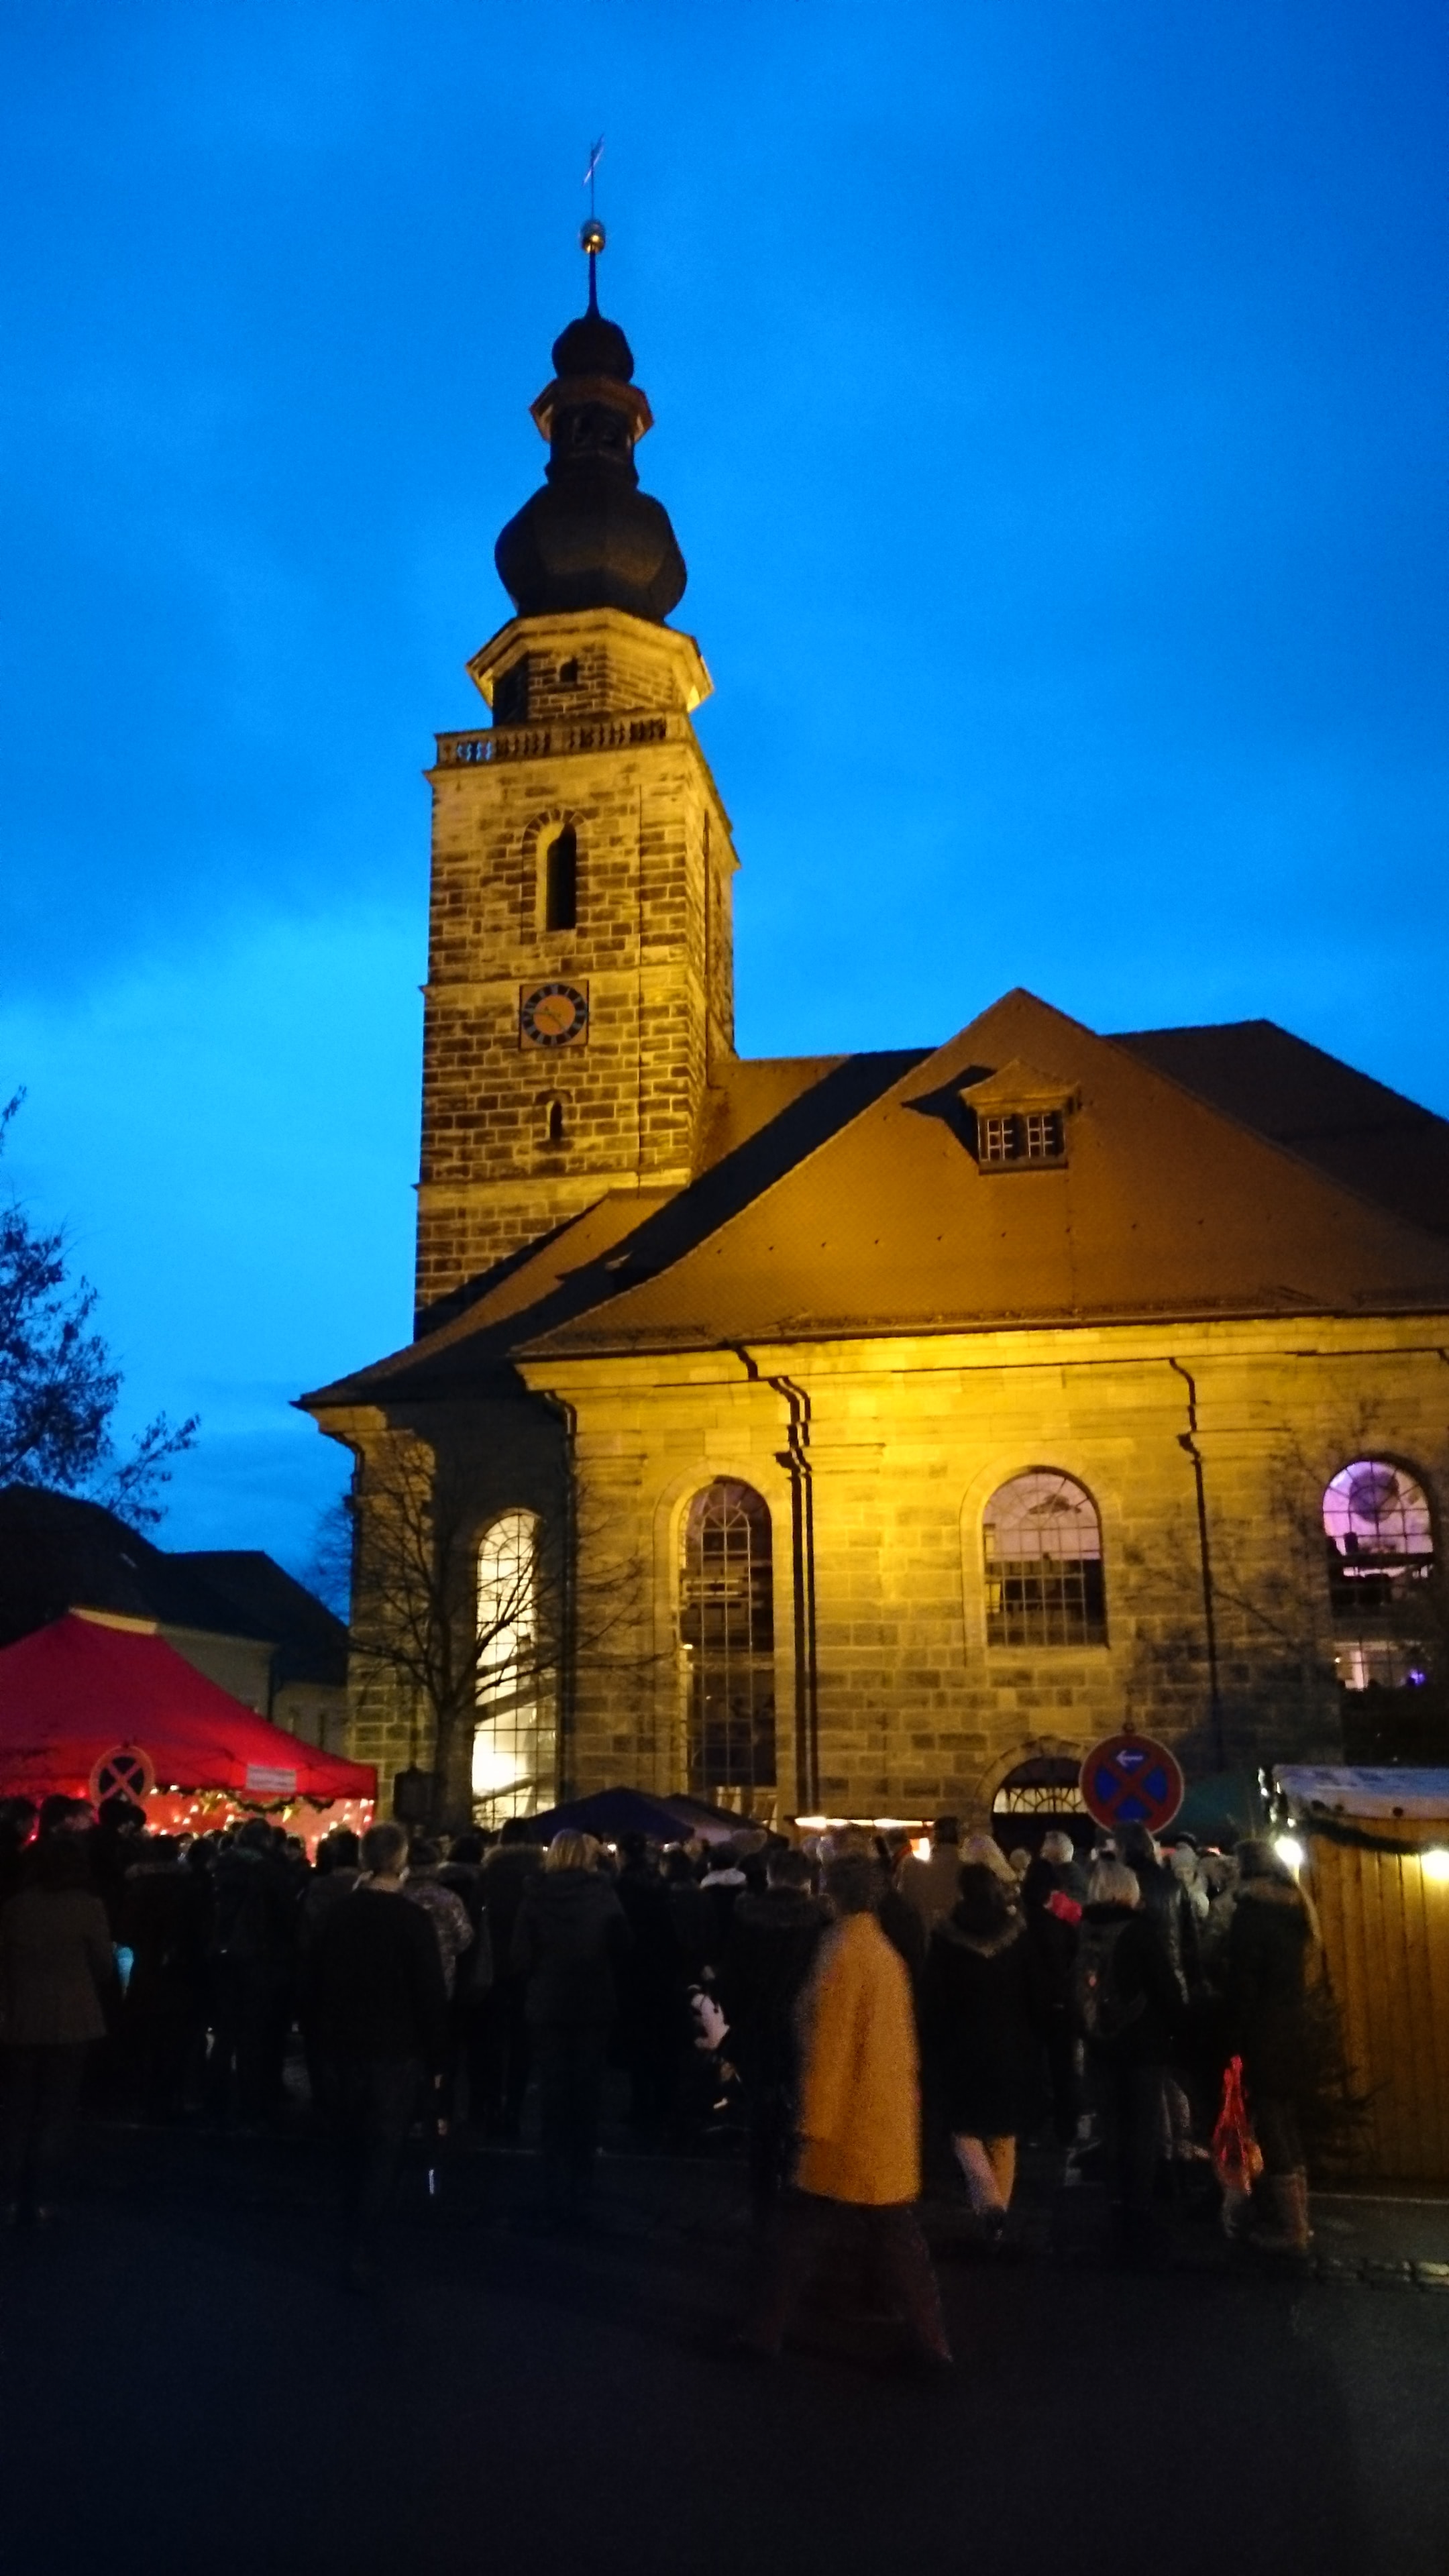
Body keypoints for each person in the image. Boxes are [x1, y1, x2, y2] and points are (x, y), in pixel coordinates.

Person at [738, 1854, 951, 2367]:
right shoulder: (878, 1949)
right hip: (881, 2111)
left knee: (804, 2230)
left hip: (847, 2118)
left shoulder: (842, 1951)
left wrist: (814, 2120)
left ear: (833, 1893)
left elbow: (829, 2045)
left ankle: (765, 2333)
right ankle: (930, 2343)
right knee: (892, 2235)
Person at [308, 1820, 449, 2288]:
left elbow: (312, 1979)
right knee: (384, 2145)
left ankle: (348, 2226)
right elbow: (430, 1994)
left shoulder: (338, 1913)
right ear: (402, 1860)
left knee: (348, 2142)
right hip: (395, 2049)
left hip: (340, 2043)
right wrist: (437, 2061)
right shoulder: (412, 1920)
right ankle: (363, 2241)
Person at [511, 1831, 631, 2228]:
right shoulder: (603, 1895)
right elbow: (623, 1948)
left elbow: (519, 1957)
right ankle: (582, 2176)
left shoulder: (534, 1897)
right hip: (593, 2001)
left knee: (553, 2092)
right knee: (587, 2091)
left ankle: (553, 2177)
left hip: (548, 2002)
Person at [0, 1832, 116, 2220]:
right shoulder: (88, 1908)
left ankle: (10, 2198)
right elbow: (103, 1966)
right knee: (57, 2109)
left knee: (18, 2109)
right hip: (73, 2017)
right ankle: (44, 2197)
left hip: (21, 2016)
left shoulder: (17, 1908)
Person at [1075, 1856, 1183, 2264]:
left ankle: (1115, 2207)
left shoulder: (1085, 1929)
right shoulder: (1140, 1932)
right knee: (1142, 2130)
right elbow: (1166, 1990)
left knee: (1113, 2129)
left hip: (1100, 2046)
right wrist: (1178, 2030)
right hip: (1141, 2047)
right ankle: (1138, 2213)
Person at [923, 1862, 1038, 2241]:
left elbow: (933, 1995)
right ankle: (998, 2216)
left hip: (961, 2042)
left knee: (963, 2128)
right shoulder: (1017, 1932)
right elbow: (1031, 1988)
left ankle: (987, 2200)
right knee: (1004, 2133)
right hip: (1008, 2039)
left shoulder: (946, 1934)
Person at [720, 1846, 828, 2217]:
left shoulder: (747, 1916)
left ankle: (762, 2188)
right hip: (804, 2024)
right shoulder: (820, 1921)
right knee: (800, 2101)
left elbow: (731, 1974)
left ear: (771, 1875)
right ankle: (799, 2180)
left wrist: (736, 2016)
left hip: (757, 2022)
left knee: (760, 2107)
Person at [1225, 1839, 1320, 2255]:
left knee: (1273, 2125)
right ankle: (1300, 2220)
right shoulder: (1294, 1912)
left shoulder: (1251, 1917)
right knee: (1287, 2120)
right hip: (1292, 2027)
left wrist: (1233, 2037)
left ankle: (1292, 2229)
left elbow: (1243, 1987)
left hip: (1264, 2032)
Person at [474, 1820, 547, 2136]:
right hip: (530, 1965)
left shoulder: (488, 1871)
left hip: (493, 1963)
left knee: (491, 2038)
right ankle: (513, 2108)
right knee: (522, 2041)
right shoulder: (542, 1873)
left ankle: (490, 2102)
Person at [895, 1815, 963, 1939]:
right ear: (961, 1838)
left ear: (933, 1837)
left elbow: (900, 1906)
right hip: (958, 1946)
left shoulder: (910, 1866)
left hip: (919, 1942)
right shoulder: (969, 1871)